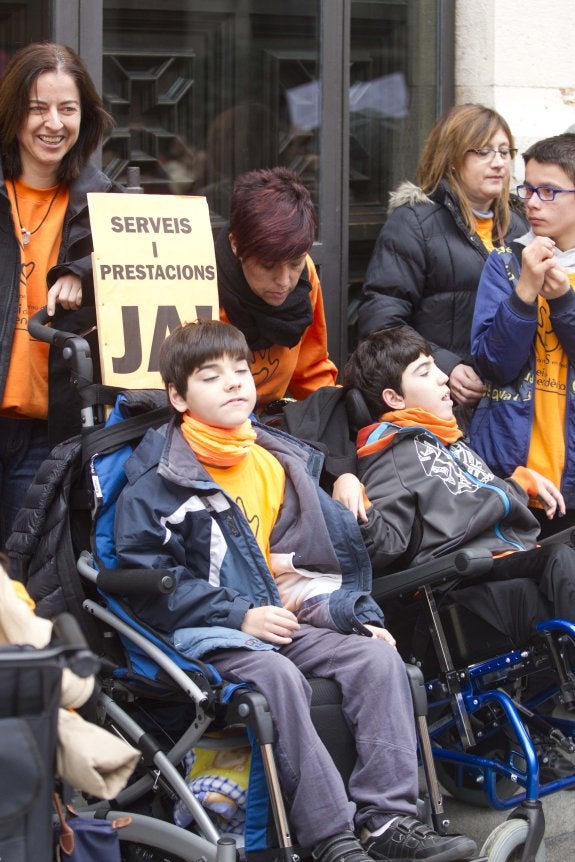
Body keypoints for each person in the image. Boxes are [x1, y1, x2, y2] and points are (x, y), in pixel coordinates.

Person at [114, 319, 477, 862]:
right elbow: (149, 585)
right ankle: (331, 836)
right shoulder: (159, 482)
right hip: (205, 634)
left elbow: (298, 568)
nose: (235, 383)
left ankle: (388, 823)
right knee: (278, 675)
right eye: (212, 377)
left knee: (376, 658)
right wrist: (240, 616)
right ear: (178, 396)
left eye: (240, 370)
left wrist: (347, 613)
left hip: (279, 619)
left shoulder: (275, 461)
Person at [343, 326, 575, 653]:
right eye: (424, 372)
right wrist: (359, 506)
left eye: (437, 367)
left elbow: (482, 498)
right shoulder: (392, 452)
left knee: (562, 557)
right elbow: (387, 545)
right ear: (394, 398)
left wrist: (523, 483)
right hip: (460, 576)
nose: (442, 377)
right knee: (559, 561)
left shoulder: (449, 438)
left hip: (502, 558)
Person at [0, 41, 121, 546]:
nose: (53, 123)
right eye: (37, 109)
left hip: (48, 429)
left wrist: (83, 269)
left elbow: (142, 263)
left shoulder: (106, 202)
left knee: (23, 579)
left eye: (67, 109)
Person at [357, 103, 528, 421]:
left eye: (505, 152)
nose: (498, 163)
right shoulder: (414, 223)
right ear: (451, 158)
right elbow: (381, 325)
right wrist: (446, 365)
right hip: (445, 407)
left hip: (511, 409)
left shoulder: (520, 227)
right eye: (483, 151)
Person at [470, 133, 575, 538]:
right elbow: (494, 365)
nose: (531, 202)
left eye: (548, 191)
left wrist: (564, 302)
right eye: (527, 188)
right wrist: (525, 293)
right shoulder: (505, 263)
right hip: (513, 470)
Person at [216, 166, 338, 417]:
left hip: (270, 421)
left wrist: (336, 416)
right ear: (236, 246)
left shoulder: (306, 276)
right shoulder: (202, 284)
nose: (284, 281)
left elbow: (311, 368)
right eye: (268, 265)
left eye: (295, 263)